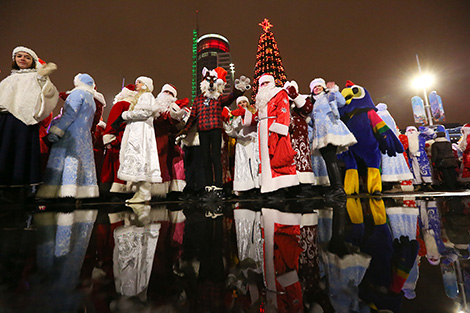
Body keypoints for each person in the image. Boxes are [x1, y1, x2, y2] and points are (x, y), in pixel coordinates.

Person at [180, 67, 250, 198]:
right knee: (206, 158)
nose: (211, 85)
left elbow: (229, 98)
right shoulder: (198, 100)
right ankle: (208, 185)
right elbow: (192, 116)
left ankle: (218, 185)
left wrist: (238, 90)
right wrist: (185, 130)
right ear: (204, 84)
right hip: (203, 131)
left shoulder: (218, 98)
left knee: (216, 157)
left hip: (216, 130)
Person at [0, 46, 58, 201]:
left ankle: (23, 189)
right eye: (19, 56)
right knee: (6, 152)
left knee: (22, 153)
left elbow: (48, 92)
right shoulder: (10, 78)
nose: (22, 59)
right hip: (8, 121)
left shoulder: (36, 76)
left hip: (24, 123)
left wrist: (43, 77)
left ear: (32, 61)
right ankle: (6, 188)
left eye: (27, 57)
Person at [37, 73, 99, 199]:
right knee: (81, 164)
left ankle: (64, 194)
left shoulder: (76, 94)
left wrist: (57, 130)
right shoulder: (91, 98)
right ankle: (78, 194)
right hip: (84, 136)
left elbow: (70, 114)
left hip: (71, 134)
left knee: (66, 162)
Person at [249, 74, 299, 194]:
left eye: (267, 83)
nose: (265, 86)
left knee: (277, 157)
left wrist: (278, 128)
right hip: (262, 129)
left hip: (274, 129)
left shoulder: (280, 93)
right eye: (262, 84)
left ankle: (279, 188)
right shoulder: (260, 98)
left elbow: (284, 110)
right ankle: (268, 187)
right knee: (264, 159)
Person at [309, 78, 356, 198]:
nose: (317, 88)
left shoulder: (328, 95)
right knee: (328, 161)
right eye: (314, 87)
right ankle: (335, 187)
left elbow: (341, 102)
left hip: (330, 132)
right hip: (321, 134)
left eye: (319, 86)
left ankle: (338, 189)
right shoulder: (314, 102)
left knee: (331, 160)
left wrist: (333, 90)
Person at [118, 76, 162, 203]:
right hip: (137, 132)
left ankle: (143, 193)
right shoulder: (140, 97)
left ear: (145, 85)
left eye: (139, 82)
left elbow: (145, 113)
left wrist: (127, 115)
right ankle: (140, 192)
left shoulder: (147, 96)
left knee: (142, 159)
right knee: (137, 161)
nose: (136, 84)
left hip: (142, 133)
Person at [100, 84, 138, 196]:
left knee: (115, 165)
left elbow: (113, 122)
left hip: (119, 139)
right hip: (130, 139)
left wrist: (109, 137)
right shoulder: (134, 107)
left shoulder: (120, 104)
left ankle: (112, 192)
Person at [223, 96, 260, 195]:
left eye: (244, 102)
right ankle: (245, 189)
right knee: (244, 166)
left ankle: (257, 186)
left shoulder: (254, 113)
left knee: (255, 164)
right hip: (241, 143)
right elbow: (232, 132)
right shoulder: (235, 116)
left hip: (253, 142)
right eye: (240, 103)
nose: (243, 104)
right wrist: (227, 126)